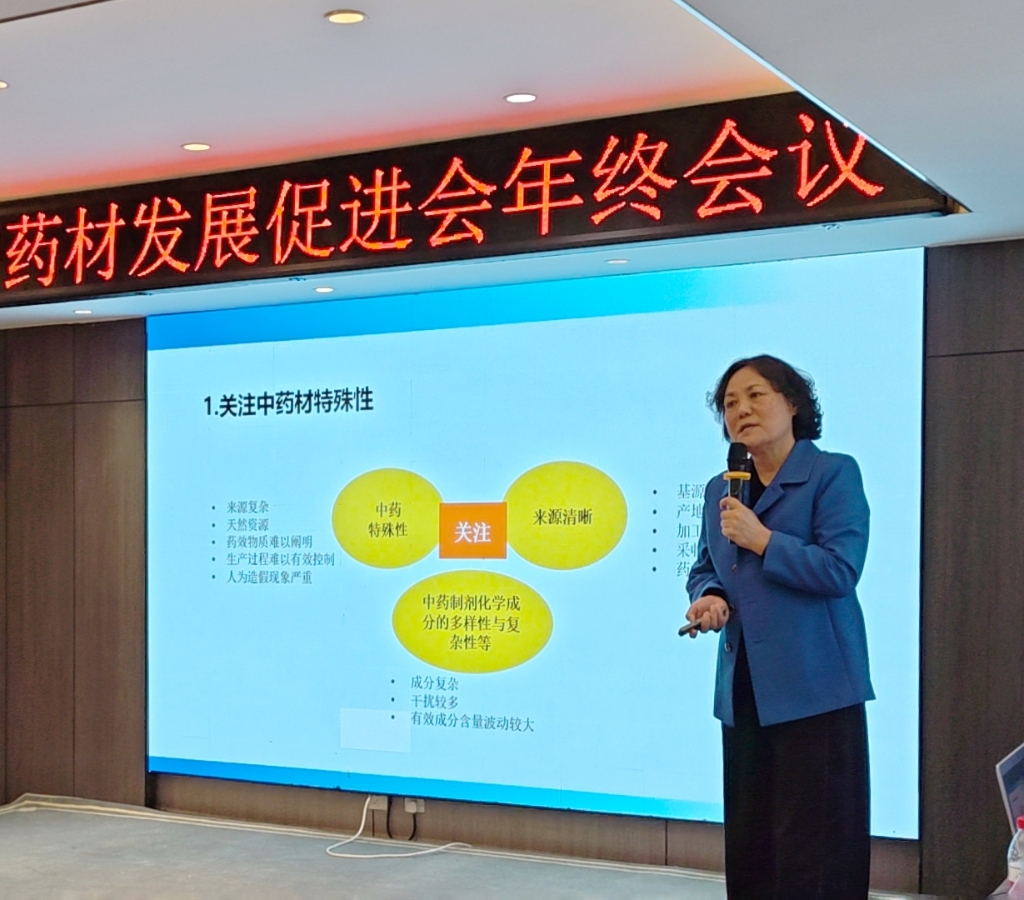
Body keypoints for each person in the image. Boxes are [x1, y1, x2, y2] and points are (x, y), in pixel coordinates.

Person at [685, 355, 873, 900]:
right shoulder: (722, 487)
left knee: (817, 845)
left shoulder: (833, 473)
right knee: (752, 841)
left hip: (816, 687)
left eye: (755, 395)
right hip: (745, 687)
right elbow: (705, 567)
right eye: (729, 403)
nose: (740, 410)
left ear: (792, 403)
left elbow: (840, 571)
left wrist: (764, 540)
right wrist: (710, 598)